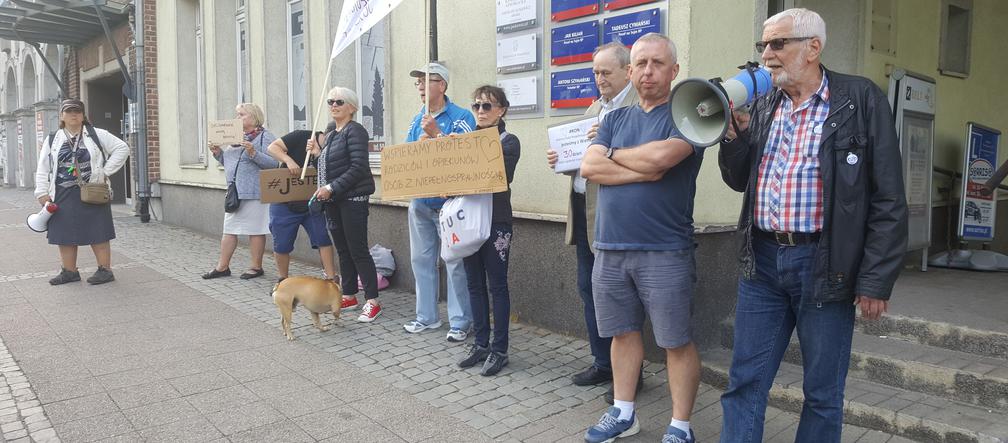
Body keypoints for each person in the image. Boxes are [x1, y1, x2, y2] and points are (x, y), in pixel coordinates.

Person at [717, 9, 908, 443]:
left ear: (813, 47)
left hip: (824, 264)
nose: (767, 55)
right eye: (763, 45)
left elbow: (888, 196)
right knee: (744, 382)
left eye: (777, 44)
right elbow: (738, 180)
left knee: (822, 392)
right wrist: (732, 136)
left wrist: (876, 279)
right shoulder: (764, 103)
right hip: (762, 263)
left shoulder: (859, 99)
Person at [580, 33, 704, 443]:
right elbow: (590, 167)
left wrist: (615, 156)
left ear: (674, 71)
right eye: (641, 64)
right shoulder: (615, 119)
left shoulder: (688, 117)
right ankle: (624, 413)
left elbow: (663, 159)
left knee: (675, 341)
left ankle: (680, 427)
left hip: (665, 250)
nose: (648, 71)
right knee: (621, 333)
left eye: (657, 63)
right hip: (611, 248)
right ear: (630, 72)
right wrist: (640, 166)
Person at [546, 42, 640, 393]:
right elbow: (584, 161)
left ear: (626, 71)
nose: (599, 79)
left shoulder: (636, 107)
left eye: (606, 72)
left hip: (616, 218)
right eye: (595, 73)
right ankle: (603, 363)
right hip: (585, 214)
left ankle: (631, 375)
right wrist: (561, 161)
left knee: (620, 296)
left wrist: (608, 142)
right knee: (589, 290)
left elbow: (642, 160)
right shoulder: (595, 107)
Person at [401, 62, 476, 341]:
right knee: (421, 261)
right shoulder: (416, 118)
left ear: (441, 85)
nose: (420, 85)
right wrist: (419, 144)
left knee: (454, 262)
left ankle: (460, 321)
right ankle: (427, 317)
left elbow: (467, 156)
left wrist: (436, 136)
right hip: (420, 201)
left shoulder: (462, 116)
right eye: (418, 81)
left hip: (450, 204)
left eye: (426, 80)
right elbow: (406, 157)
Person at [456, 85, 521, 376]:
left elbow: (497, 176)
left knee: (497, 286)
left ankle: (500, 349)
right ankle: (480, 344)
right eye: (476, 106)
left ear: (502, 110)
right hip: (469, 221)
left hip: (496, 222)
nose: (480, 111)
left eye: (487, 106)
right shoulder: (463, 141)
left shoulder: (509, 141)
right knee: (473, 284)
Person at [34, 99, 129, 285]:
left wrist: (104, 172)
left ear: (83, 115)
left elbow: (122, 148)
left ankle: (105, 270)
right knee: (64, 234)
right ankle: (69, 272)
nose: (73, 114)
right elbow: (43, 167)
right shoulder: (53, 139)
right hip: (62, 192)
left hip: (92, 190)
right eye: (68, 111)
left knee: (98, 230)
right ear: (62, 116)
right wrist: (41, 192)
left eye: (77, 111)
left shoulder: (96, 134)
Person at [309, 87, 381, 323]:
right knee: (343, 249)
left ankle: (372, 301)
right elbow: (330, 167)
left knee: (358, 249)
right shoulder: (332, 133)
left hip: (352, 199)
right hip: (335, 200)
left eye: (339, 101)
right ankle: (349, 294)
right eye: (330, 101)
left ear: (351, 107)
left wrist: (331, 188)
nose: (333, 105)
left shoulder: (355, 131)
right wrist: (317, 154)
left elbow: (358, 167)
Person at [203, 103, 278, 280]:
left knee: (255, 230)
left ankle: (256, 267)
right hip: (235, 192)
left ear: (254, 117)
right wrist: (217, 153)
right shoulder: (235, 137)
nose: (237, 118)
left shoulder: (264, 137)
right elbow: (231, 164)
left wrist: (253, 153)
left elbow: (274, 164)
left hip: (254, 192)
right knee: (229, 229)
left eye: (241, 115)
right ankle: (222, 267)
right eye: (236, 114)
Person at [265, 121, 339, 285]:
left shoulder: (331, 150)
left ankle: (331, 278)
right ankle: (283, 280)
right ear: (325, 135)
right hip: (285, 201)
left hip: (312, 203)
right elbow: (272, 148)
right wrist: (288, 160)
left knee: (323, 238)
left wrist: (319, 153)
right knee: (282, 243)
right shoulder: (301, 136)